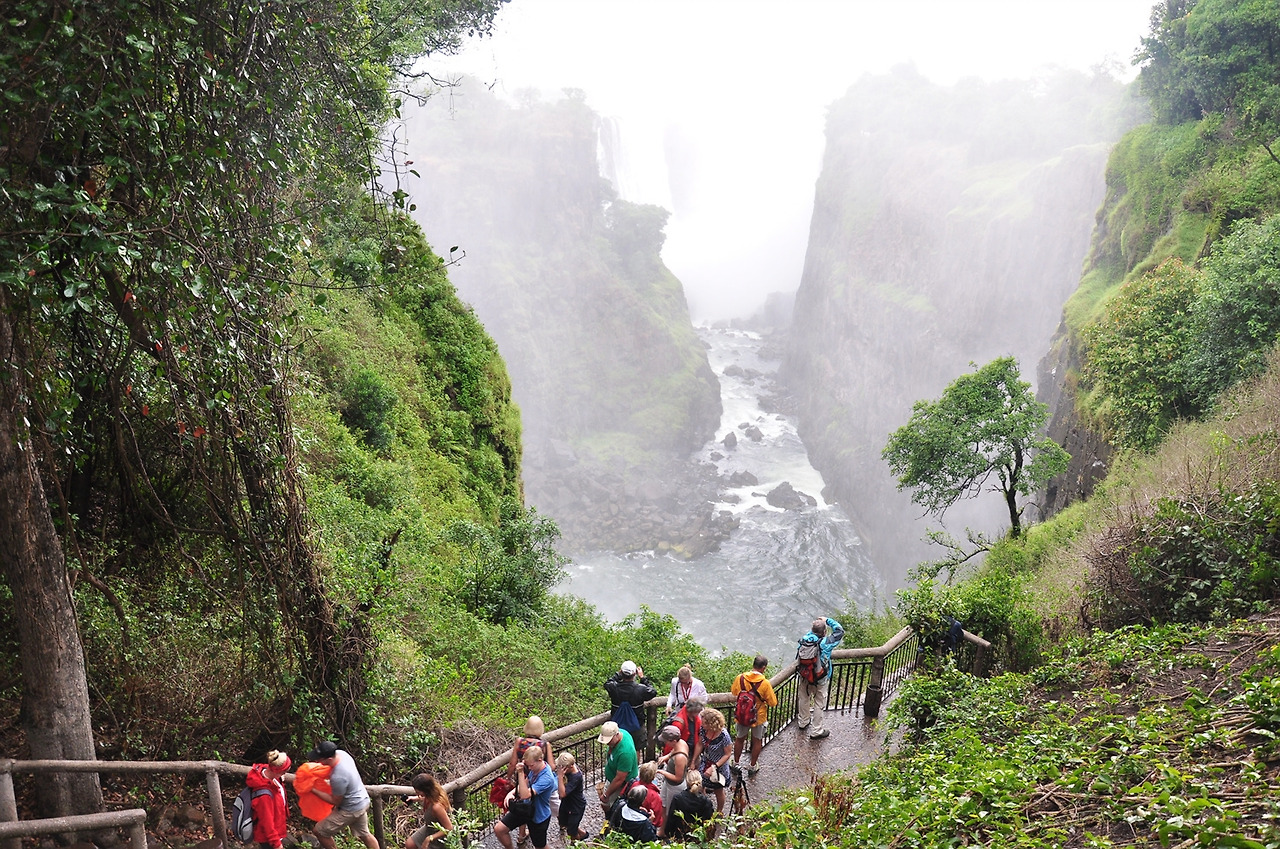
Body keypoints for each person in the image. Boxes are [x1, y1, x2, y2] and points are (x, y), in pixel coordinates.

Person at [309, 740, 379, 849]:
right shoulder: (342, 754)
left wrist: (313, 789)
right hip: (362, 800)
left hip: (351, 808)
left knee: (319, 831)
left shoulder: (338, 777)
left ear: (329, 759)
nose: (317, 761)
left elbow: (335, 801)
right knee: (364, 834)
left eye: (320, 759)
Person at [506, 715, 558, 842]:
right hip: (537, 778)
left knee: (523, 806)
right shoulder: (544, 744)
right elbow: (551, 766)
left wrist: (508, 778)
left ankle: (521, 835)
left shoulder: (520, 742)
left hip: (522, 777)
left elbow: (512, 763)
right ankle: (563, 822)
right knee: (550, 802)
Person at [495, 745, 556, 849]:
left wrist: (520, 773)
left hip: (538, 815)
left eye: (531, 765)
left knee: (540, 846)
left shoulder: (547, 778)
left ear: (540, 760)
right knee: (499, 829)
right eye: (528, 766)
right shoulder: (535, 768)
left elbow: (525, 795)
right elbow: (526, 783)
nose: (530, 768)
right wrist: (512, 792)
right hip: (524, 809)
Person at [796, 617, 845, 739]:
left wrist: (818, 624)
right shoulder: (825, 643)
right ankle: (816, 730)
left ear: (812, 631)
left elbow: (813, 632)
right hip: (820, 678)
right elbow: (840, 631)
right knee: (819, 703)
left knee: (804, 698)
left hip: (804, 676)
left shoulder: (805, 639)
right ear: (824, 632)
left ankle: (803, 722)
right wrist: (827, 620)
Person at [731, 655, 778, 775]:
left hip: (742, 715)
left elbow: (734, 692)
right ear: (763, 668)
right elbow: (773, 702)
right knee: (757, 740)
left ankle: (736, 763)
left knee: (740, 739)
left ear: (753, 665)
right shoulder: (765, 683)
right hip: (758, 716)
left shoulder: (740, 678)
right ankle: (752, 766)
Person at [604, 661, 657, 746]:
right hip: (637, 725)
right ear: (634, 674)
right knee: (636, 748)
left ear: (622, 673)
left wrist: (618, 674)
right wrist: (643, 678)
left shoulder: (613, 687)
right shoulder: (641, 689)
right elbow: (653, 691)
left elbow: (607, 683)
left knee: (617, 746)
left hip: (618, 726)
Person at [245, 750, 290, 849]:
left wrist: (279, 778)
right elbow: (267, 823)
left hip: (276, 827)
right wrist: (277, 844)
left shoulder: (267, 772)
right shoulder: (264, 796)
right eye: (285, 771)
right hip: (269, 837)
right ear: (278, 771)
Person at [595, 721, 638, 812]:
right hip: (612, 777)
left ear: (616, 735)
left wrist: (606, 795)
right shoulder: (623, 732)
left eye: (609, 740)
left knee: (614, 805)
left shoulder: (625, 753)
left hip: (621, 784)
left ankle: (612, 819)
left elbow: (620, 778)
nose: (607, 743)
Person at [654, 725, 689, 836]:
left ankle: (670, 832)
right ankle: (662, 829)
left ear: (673, 740)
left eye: (666, 741)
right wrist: (666, 757)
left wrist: (661, 772)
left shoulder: (680, 757)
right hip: (668, 782)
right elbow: (673, 752)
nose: (665, 743)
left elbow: (678, 778)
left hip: (675, 786)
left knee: (671, 810)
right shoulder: (680, 742)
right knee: (663, 804)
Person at [697, 708, 732, 814]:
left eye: (703, 723)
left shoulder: (724, 736)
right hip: (706, 761)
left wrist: (714, 767)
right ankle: (704, 804)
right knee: (700, 784)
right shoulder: (703, 730)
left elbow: (727, 754)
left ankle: (719, 811)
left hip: (718, 766)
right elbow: (700, 744)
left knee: (718, 790)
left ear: (710, 723)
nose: (701, 724)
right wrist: (694, 760)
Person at [406, 774, 452, 849]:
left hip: (441, 833)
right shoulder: (433, 793)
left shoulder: (437, 807)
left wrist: (429, 838)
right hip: (429, 827)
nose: (416, 793)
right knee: (410, 844)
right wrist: (414, 799)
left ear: (426, 790)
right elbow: (427, 798)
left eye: (418, 791)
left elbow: (449, 828)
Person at [665, 771, 715, 841]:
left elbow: (671, 820)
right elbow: (709, 823)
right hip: (698, 838)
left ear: (687, 782)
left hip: (679, 837)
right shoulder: (706, 802)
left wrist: (669, 834)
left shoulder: (678, 798)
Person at [555, 753, 589, 842]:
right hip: (566, 803)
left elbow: (562, 794)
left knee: (571, 832)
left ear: (570, 766)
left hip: (576, 806)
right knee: (563, 822)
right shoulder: (569, 767)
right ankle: (583, 834)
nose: (560, 769)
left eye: (562, 767)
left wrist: (560, 777)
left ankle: (574, 843)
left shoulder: (576, 776)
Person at [666, 696, 705, 768]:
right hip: (682, 753)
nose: (700, 713)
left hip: (692, 751)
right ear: (692, 711)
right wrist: (668, 758)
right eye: (698, 711)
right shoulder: (679, 723)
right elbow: (671, 742)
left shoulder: (695, 718)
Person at [634, 762, 665, 831]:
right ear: (653, 777)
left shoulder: (633, 785)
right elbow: (657, 820)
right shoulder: (655, 796)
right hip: (646, 828)